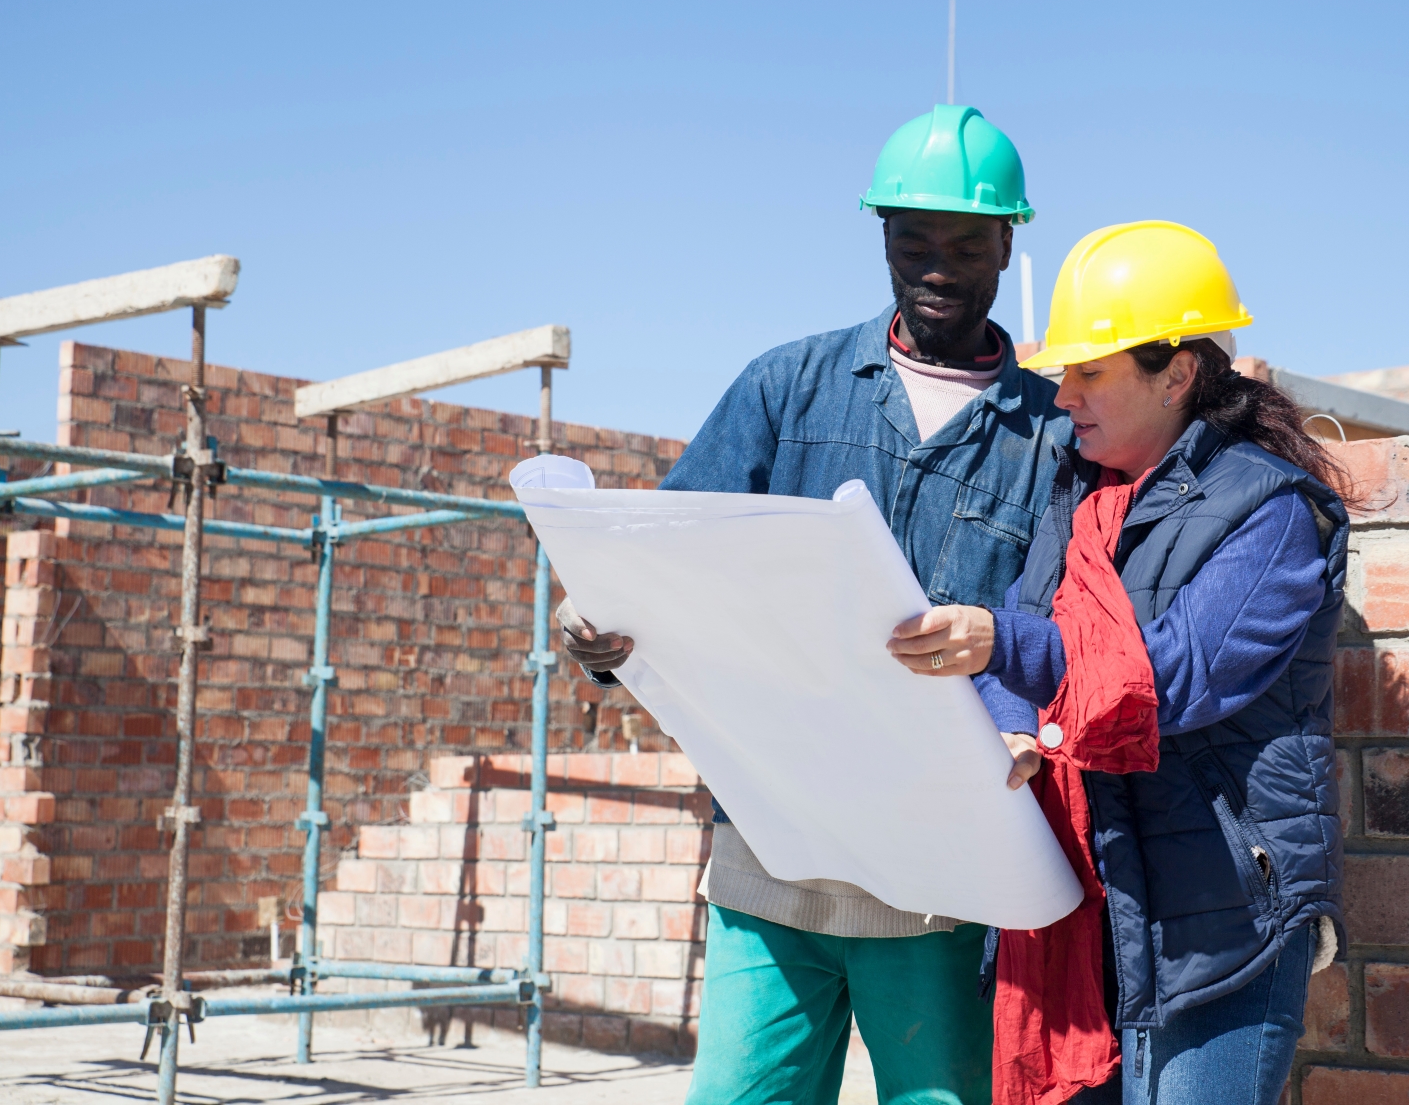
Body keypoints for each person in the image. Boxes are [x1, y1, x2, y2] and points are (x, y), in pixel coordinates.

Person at [560, 104, 1069, 1105]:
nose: (935, 263)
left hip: (941, 881)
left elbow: (1054, 626)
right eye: (911, 237)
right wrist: (599, 624)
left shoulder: (1051, 437)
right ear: (880, 234)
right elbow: (663, 566)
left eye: (964, 241)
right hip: (772, 859)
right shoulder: (788, 388)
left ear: (1008, 243)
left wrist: (1022, 724)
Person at [885, 221, 1352, 1105]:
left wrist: (1003, 645)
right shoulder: (1078, 497)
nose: (1062, 396)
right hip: (1090, 903)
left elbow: (1171, 676)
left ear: (1176, 373)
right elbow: (1017, 656)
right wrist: (1015, 726)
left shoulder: (1274, 514)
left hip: (1224, 924)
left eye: (1088, 371)